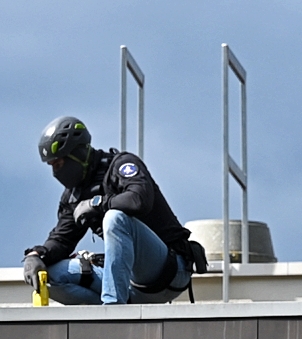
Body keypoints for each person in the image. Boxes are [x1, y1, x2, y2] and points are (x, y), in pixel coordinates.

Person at [23, 115, 202, 305]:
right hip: (131, 285)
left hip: (169, 270)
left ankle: (113, 312)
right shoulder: (74, 196)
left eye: (59, 164)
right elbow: (62, 239)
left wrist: (98, 203)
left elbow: (139, 199)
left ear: (78, 154)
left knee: (114, 218)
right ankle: (112, 311)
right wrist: (35, 255)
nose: (56, 173)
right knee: (48, 276)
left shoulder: (120, 165)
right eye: (52, 166)